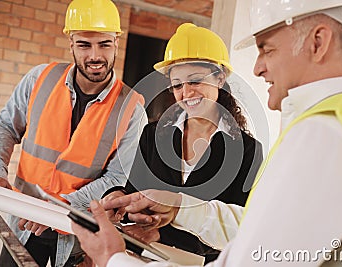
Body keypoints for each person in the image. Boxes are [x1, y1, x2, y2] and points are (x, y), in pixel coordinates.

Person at [72, 0, 342, 266]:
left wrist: (114, 259)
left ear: (318, 42)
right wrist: (177, 208)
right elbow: (257, 228)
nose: (257, 68)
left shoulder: (325, 137)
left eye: (267, 49)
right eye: (177, 84)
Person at [0, 0, 147, 266]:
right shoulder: (39, 79)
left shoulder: (132, 109)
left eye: (104, 44)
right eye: (84, 45)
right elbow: (5, 127)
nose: (95, 56)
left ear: (117, 42)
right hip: (24, 224)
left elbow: (118, 177)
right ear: (71, 43)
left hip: (80, 234)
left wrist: (58, 205)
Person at [98, 23, 263, 263]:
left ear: (220, 78)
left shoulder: (248, 151)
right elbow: (135, 194)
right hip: (145, 260)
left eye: (195, 81)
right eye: (177, 85)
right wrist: (117, 197)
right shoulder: (153, 136)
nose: (186, 93)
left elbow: (238, 228)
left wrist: (162, 234)